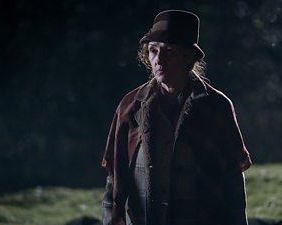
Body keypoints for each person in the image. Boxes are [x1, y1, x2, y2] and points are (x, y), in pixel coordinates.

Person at [101, 9, 252, 225]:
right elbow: (113, 181)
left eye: (169, 51)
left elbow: (233, 184)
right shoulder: (129, 106)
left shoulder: (216, 107)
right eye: (153, 51)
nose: (158, 59)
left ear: (188, 58)